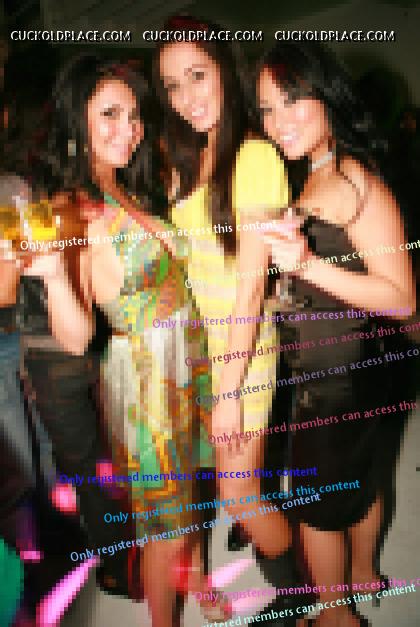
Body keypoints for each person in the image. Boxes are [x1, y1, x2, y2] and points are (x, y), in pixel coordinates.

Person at [42, 53, 218, 627]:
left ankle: (198, 575)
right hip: (147, 378)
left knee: (191, 486)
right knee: (164, 522)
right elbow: (75, 338)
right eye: (110, 114)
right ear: (78, 122)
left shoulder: (124, 190)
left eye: (134, 114)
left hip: (187, 358)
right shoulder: (74, 209)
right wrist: (52, 277)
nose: (130, 128)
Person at [257, 41, 416, 626]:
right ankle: (364, 572)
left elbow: (401, 297)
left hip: (336, 379)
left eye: (292, 100)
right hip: (355, 366)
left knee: (315, 508)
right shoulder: (325, 171)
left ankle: (334, 615)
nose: (278, 120)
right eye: (267, 108)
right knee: (364, 481)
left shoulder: (353, 177)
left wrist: (303, 264)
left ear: (327, 97)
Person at [155, 14, 292, 560]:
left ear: (225, 70)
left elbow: (251, 288)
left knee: (240, 496)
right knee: (235, 489)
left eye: (197, 75)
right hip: (205, 348)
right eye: (173, 85)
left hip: (243, 352)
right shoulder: (192, 158)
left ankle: (312, 592)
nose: (187, 97)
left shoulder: (254, 156)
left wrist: (229, 393)